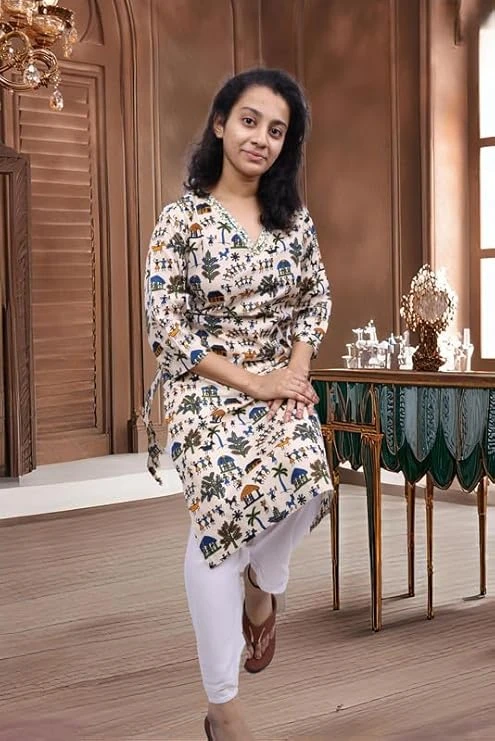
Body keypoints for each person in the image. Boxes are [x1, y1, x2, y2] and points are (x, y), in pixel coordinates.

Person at [143, 67, 332, 741]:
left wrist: (294, 373)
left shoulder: (293, 222)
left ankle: (263, 584)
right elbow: (167, 327)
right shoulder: (181, 220)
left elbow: (315, 301)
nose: (261, 138)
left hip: (279, 378)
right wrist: (255, 383)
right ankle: (223, 707)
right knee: (217, 531)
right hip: (205, 388)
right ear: (221, 123)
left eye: (277, 130)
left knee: (310, 483)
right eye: (250, 121)